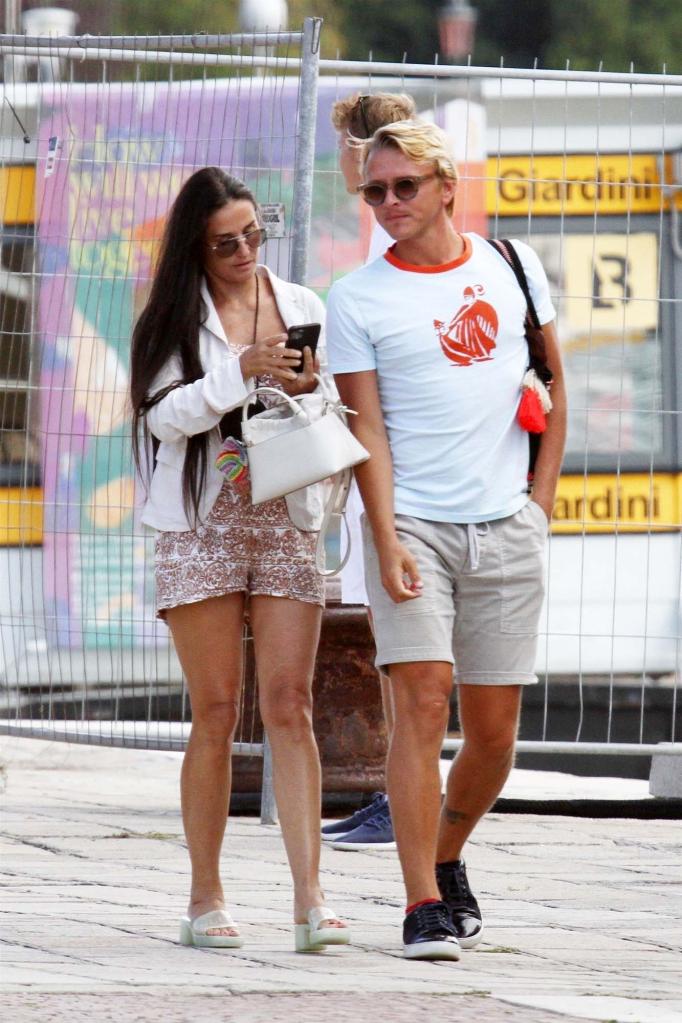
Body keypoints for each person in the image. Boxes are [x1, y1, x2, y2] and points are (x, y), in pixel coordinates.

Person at [326, 121, 566, 960]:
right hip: (413, 524)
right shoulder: (357, 297)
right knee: (423, 701)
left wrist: (539, 501)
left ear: (445, 185)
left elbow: (552, 383)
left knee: (496, 735)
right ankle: (421, 900)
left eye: (404, 187)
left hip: (506, 523)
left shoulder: (512, 266)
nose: (389, 203)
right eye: (374, 191)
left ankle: (448, 855)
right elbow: (369, 431)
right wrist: (384, 536)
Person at [129, 167, 349, 954]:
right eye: (228, 242)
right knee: (217, 709)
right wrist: (240, 372)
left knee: (291, 703)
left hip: (286, 510)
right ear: (197, 244)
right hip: (202, 519)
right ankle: (204, 896)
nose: (246, 250)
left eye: (256, 233)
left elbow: (323, 408)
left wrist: (304, 384)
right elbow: (164, 416)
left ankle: (311, 899)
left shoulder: (302, 304)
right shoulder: (173, 316)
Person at [320, 92, 417, 853]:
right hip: (375, 467)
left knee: (406, 648)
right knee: (391, 642)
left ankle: (405, 793)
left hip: (399, 477)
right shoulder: (376, 258)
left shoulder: (396, 255)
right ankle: (394, 787)